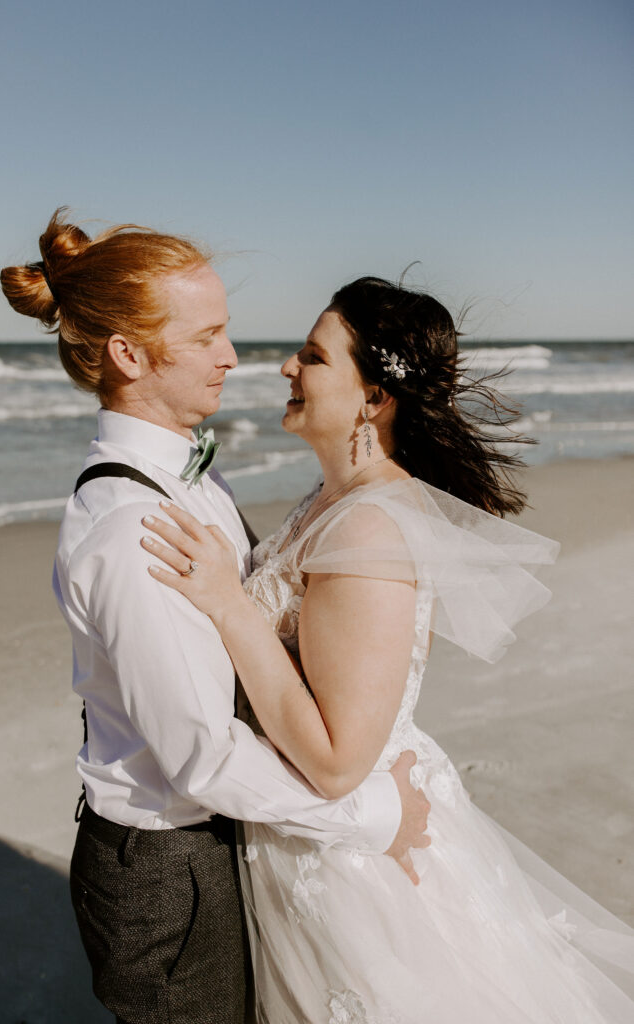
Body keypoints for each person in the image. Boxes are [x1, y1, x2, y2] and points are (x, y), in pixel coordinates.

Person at [143, 277, 634, 1023]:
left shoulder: (368, 529)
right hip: (305, 832)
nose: (284, 367)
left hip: (354, 862)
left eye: (311, 356)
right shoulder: (331, 499)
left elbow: (339, 760)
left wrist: (225, 603)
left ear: (371, 398)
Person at [0, 217, 430, 1024]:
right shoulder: (131, 528)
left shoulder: (193, 475)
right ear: (128, 354)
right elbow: (200, 756)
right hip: (170, 869)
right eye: (207, 336)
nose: (233, 357)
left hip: (229, 838)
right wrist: (375, 814)